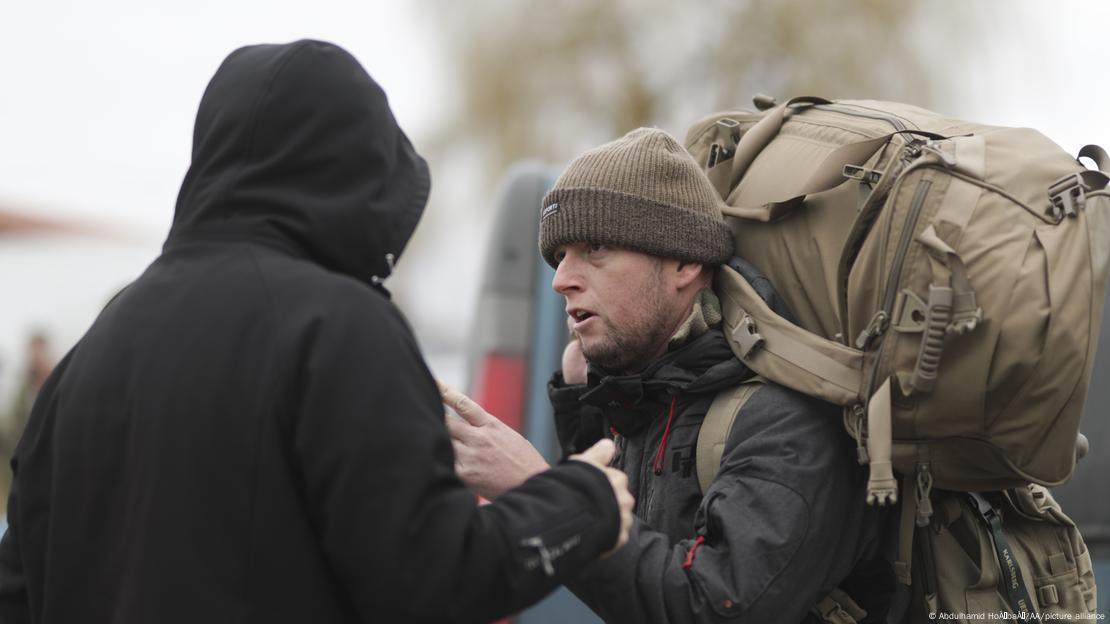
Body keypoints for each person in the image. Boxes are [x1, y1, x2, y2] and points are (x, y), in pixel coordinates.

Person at [0, 40, 634, 624]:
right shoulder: (336, 326)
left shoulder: (87, 357)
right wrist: (583, 502)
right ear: (359, 171)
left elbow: (17, 593)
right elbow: (430, 578)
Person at [447, 128, 894, 623]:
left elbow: (711, 607)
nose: (560, 279)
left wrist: (540, 492)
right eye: (558, 257)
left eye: (594, 247)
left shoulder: (783, 421)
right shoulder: (648, 400)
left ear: (683, 261)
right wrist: (581, 405)